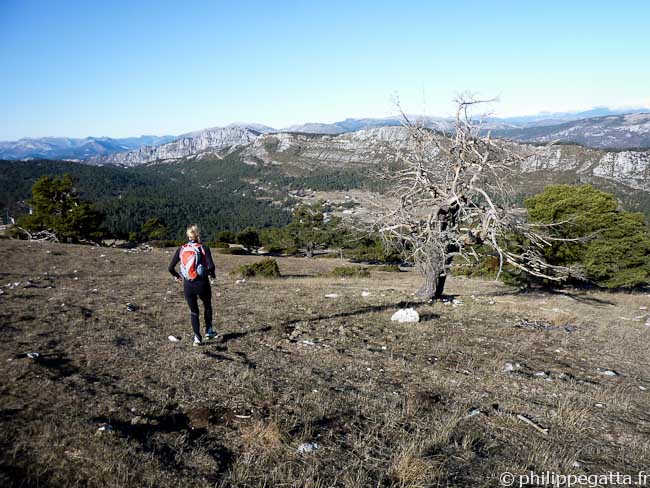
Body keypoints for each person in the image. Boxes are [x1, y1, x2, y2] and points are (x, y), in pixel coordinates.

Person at [168, 224, 217, 346]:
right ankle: (209, 331)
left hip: (188, 284)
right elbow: (211, 266)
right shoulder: (203, 248)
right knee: (207, 306)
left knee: (194, 311)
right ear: (198, 234)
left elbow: (170, 268)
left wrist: (177, 276)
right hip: (202, 283)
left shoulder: (182, 248)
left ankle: (197, 338)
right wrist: (212, 275)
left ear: (188, 235)